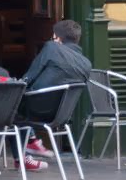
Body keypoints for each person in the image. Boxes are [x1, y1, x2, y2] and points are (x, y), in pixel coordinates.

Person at [13, 19, 92, 172]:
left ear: (57, 38)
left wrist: (15, 86)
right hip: (61, 115)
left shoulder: (52, 48)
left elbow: (29, 78)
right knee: (17, 110)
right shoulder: (86, 63)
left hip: (36, 109)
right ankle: (28, 146)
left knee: (9, 105)